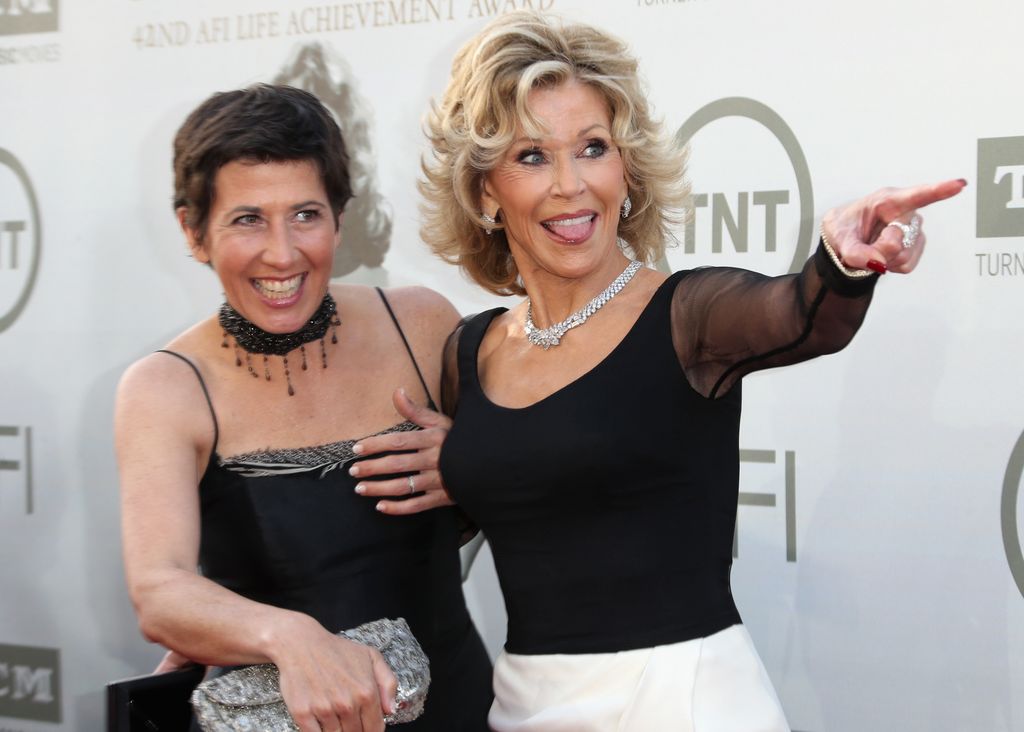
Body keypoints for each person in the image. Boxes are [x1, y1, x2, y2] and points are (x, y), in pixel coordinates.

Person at [354, 10, 965, 730]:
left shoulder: (689, 317)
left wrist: (841, 264)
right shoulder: (470, 351)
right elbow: (475, 516)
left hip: (687, 702)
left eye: (592, 148)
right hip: (527, 706)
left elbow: (803, 315)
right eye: (530, 157)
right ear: (485, 191)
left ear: (627, 167)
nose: (570, 185)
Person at [114, 84, 492, 732]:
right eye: (247, 219)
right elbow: (160, 591)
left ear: (339, 217)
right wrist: (286, 638)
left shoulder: (422, 325)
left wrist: (472, 463)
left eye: (305, 215)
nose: (282, 253)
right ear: (193, 229)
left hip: (457, 708)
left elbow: (530, 487)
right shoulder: (167, 388)